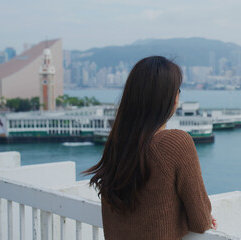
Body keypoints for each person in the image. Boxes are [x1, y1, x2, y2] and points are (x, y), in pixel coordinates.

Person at [84, 56, 217, 240]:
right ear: (170, 98)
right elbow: (201, 222)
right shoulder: (176, 143)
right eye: (177, 90)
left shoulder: (117, 145)